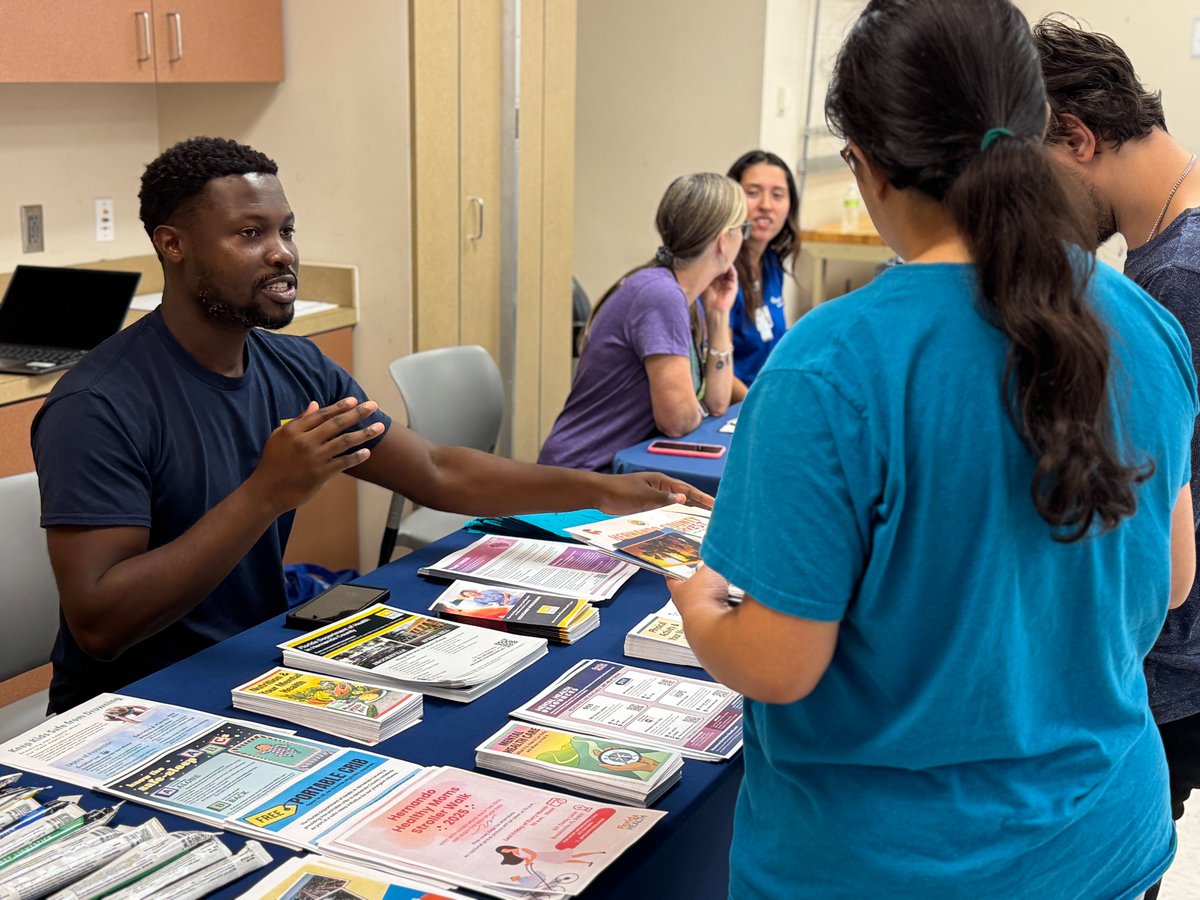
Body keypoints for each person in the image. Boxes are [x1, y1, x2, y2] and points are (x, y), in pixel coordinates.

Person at [669, 1, 1197, 896]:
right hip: (1104, 845)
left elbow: (779, 663)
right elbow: (1173, 580)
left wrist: (700, 607)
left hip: (891, 868)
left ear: (867, 168)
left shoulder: (831, 366)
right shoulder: (1145, 324)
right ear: (1038, 136)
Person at [32, 136, 711, 714]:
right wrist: (267, 493)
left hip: (253, 661)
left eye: (286, 230)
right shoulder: (100, 404)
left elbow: (437, 471)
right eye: (249, 234)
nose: (281, 254)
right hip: (136, 705)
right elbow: (100, 623)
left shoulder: (295, 368)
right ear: (172, 245)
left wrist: (598, 490)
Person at [1035, 23, 1200, 895]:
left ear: (1077, 137)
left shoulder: (1174, 280)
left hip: (1169, 667)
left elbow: (1165, 541)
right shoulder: (1167, 252)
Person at [537, 173, 740, 471]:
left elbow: (718, 404)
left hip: (618, 469)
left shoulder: (686, 295)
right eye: (742, 228)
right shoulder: (661, 294)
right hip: (583, 475)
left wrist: (719, 314)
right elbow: (678, 421)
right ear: (724, 241)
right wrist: (695, 409)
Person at [725, 150, 800, 401]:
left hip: (767, 397)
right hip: (736, 408)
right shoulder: (721, 274)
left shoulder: (771, 263)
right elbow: (715, 370)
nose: (766, 205)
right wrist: (759, 410)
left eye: (777, 195)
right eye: (753, 193)